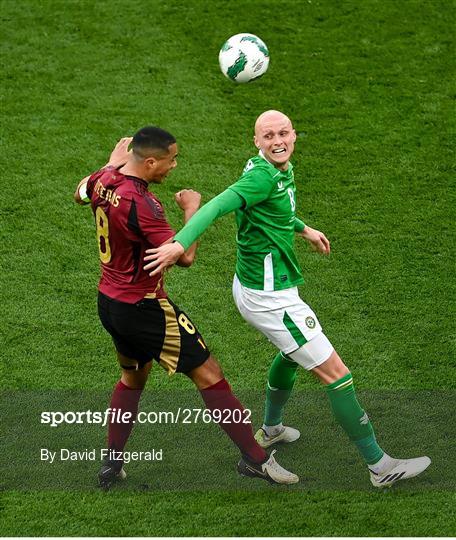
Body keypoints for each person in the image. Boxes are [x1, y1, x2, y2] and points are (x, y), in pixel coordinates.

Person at [143, 110, 431, 488]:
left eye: (283, 133)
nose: (277, 141)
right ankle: (380, 466)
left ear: (294, 135)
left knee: (290, 354)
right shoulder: (260, 177)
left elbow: (277, 211)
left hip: (260, 287)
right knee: (337, 375)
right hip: (270, 298)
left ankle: (272, 428)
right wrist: (179, 243)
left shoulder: (276, 170)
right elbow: (215, 207)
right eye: (268, 136)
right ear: (256, 142)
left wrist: (304, 228)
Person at [74, 126, 299, 489]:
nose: (173, 166)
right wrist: (192, 208)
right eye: (169, 160)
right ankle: (255, 460)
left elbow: (79, 193)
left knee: (132, 378)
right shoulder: (144, 205)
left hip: (110, 304)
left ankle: (111, 465)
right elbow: (185, 256)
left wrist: (110, 165)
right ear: (148, 162)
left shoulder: (106, 178)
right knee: (208, 373)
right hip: (145, 308)